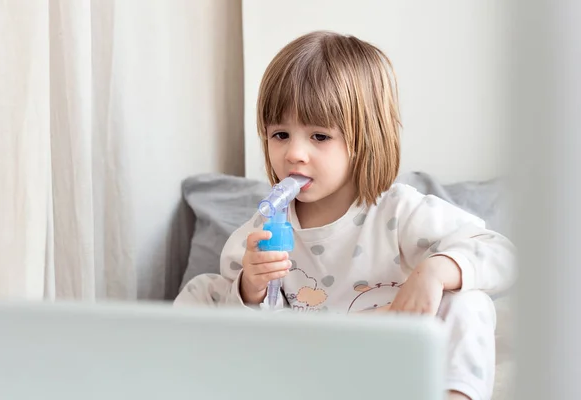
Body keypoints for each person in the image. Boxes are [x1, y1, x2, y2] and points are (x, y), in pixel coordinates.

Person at [175, 31, 516, 400]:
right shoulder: (260, 233)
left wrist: (435, 271)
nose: (294, 153)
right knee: (202, 291)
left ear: (365, 141)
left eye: (319, 136)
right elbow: (247, 338)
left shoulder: (398, 212)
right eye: (280, 134)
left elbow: (500, 252)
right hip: (308, 370)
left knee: (469, 300)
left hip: (393, 364)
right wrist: (251, 290)